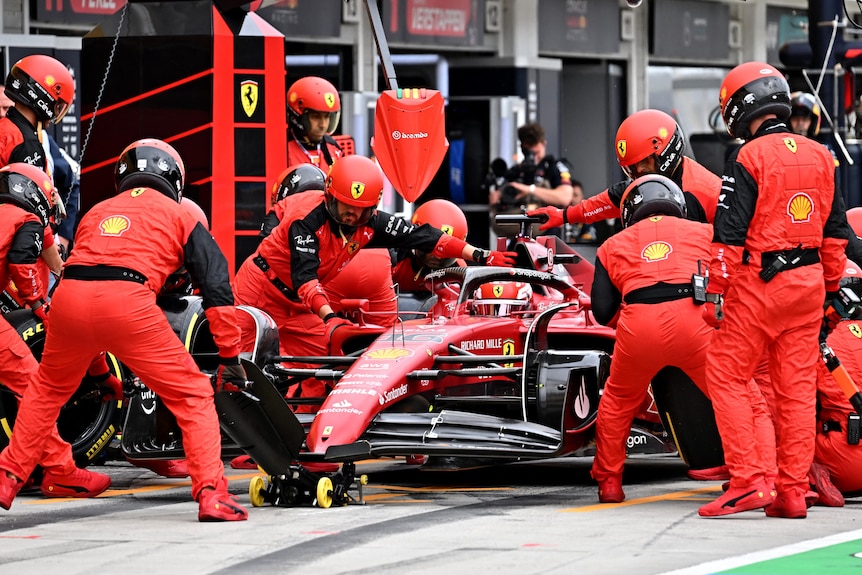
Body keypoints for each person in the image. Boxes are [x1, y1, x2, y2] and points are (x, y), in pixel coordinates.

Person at [0, 138, 250, 522]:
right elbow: (218, 286)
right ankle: (212, 494)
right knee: (194, 393)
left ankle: (6, 478)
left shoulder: (97, 211)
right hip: (129, 299)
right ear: (174, 178)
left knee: (45, 392)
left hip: (69, 297)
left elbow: (89, 294)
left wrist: (101, 375)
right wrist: (230, 356)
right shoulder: (182, 215)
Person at [233, 154, 517, 402]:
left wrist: (479, 254)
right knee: (242, 369)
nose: (352, 217)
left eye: (362, 211)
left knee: (322, 368)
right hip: (260, 291)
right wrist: (330, 318)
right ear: (329, 196)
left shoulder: (372, 222)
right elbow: (305, 278)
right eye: (346, 208)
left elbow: (424, 235)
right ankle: (243, 444)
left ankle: (307, 442)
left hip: (300, 304)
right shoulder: (306, 219)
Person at [698, 61, 850, 519]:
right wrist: (827, 293)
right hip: (807, 287)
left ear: (742, 107)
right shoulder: (824, 155)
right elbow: (836, 234)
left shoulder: (748, 158)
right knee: (797, 391)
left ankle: (747, 481)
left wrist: (713, 295)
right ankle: (790, 492)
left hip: (758, 285)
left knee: (725, 373)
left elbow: (728, 232)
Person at [588, 174, 775, 503]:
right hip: (695, 319)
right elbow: (738, 275)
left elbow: (602, 311)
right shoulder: (705, 231)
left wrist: (638, 318)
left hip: (638, 325)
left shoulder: (610, 246)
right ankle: (763, 477)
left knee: (616, 404)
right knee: (745, 397)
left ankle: (610, 483)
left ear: (629, 212)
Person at [0, 162, 111, 499]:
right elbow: (22, 262)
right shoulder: (25, 218)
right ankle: (60, 470)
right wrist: (40, 307)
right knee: (35, 388)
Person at [529, 109, 720, 231]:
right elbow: (601, 203)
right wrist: (564, 215)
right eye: (631, 168)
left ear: (666, 152)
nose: (639, 172)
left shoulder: (707, 192)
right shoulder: (642, 188)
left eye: (644, 162)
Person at [490, 123, 575, 236]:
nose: (533, 157)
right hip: (520, 232)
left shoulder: (554, 166)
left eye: (536, 153)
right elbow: (498, 212)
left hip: (547, 234)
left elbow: (565, 197)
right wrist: (495, 200)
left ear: (544, 144)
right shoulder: (516, 171)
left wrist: (529, 190)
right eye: (529, 153)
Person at [391, 198, 469, 293]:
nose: (438, 257)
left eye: (446, 252)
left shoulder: (459, 272)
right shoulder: (394, 255)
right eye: (433, 247)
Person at [286, 76, 343, 172]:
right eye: (316, 117)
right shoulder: (283, 149)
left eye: (327, 116)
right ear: (297, 116)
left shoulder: (333, 148)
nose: (323, 125)